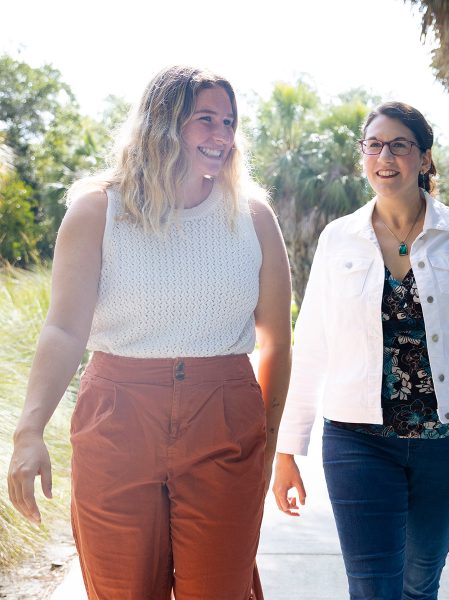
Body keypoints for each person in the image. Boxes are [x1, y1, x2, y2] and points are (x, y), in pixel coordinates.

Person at [6, 65, 292, 599]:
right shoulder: (97, 210)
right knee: (121, 589)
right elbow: (65, 329)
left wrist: (268, 439)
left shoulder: (253, 217)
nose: (222, 134)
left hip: (225, 418)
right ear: (163, 122)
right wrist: (29, 431)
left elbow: (276, 340)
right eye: (204, 119)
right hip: (118, 417)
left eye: (228, 121)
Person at [273, 101, 449, 600]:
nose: (384, 155)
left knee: (418, 583)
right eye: (374, 144)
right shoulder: (339, 238)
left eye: (399, 144)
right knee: (373, 588)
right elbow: (309, 348)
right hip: (358, 440)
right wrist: (288, 449)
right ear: (363, 156)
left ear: (425, 158)